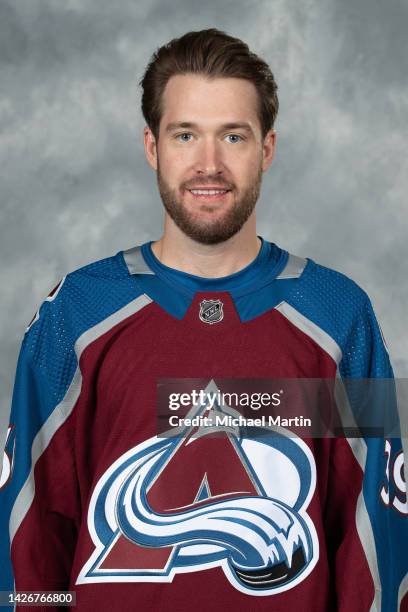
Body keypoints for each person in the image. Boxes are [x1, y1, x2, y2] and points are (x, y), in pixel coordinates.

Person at [0, 28, 407, 612]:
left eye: (233, 136)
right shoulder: (76, 314)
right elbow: (26, 540)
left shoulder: (340, 316)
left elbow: (376, 546)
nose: (208, 164)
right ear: (152, 146)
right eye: (185, 134)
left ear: (267, 148)